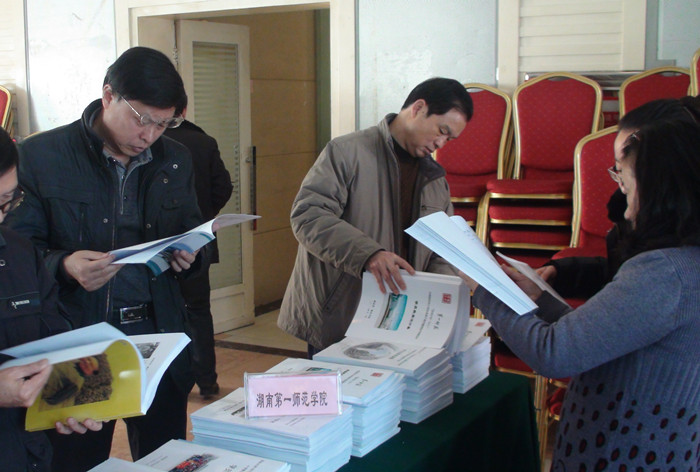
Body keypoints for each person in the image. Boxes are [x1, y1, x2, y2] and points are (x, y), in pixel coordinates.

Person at [6, 47, 206, 471]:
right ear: (108, 95)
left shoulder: (175, 160)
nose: (149, 134)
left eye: (163, 123)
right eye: (141, 119)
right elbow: (14, 255)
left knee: (164, 457)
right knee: (78, 457)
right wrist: (64, 266)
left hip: (158, 332)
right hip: (81, 337)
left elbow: (193, 230)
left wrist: (191, 254)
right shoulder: (42, 157)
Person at [460, 119, 700, 470]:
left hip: (625, 451)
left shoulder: (665, 272)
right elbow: (602, 334)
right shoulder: (682, 261)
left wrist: (485, 290)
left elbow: (554, 353)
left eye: (627, 181)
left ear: (662, 190)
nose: (623, 196)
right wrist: (540, 299)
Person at [278, 77, 473, 355]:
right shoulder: (347, 152)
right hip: (341, 314)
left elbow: (443, 249)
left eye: (449, 139)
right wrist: (368, 254)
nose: (440, 143)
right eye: (441, 131)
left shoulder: (434, 179)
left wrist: (440, 293)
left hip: (401, 323)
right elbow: (308, 216)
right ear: (418, 108)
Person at [0, 127, 101, 471]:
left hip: (24, 453)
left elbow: (53, 340)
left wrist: (68, 399)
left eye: (6, 202)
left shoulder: (19, 253)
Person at [538, 96, 700, 298]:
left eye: (625, 170)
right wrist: (562, 274)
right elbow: (620, 273)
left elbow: (636, 285)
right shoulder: (661, 221)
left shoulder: (667, 267)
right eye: (618, 169)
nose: (622, 186)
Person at [164, 116, 233, 397]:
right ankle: (207, 381)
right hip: (194, 241)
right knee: (198, 310)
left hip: (154, 244)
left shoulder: (146, 141)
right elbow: (224, 187)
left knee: (162, 312)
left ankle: (166, 382)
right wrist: (203, 215)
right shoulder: (203, 142)